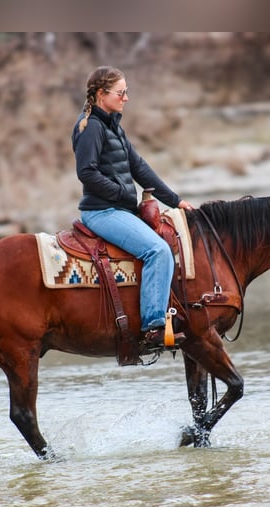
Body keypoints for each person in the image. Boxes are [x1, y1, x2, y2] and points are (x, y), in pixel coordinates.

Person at [72, 65, 194, 352]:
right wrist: (123, 194)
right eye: (121, 93)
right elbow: (86, 173)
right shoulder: (91, 128)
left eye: (127, 92)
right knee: (157, 250)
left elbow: (139, 167)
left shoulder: (113, 125)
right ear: (102, 94)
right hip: (102, 212)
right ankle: (153, 327)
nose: (126, 98)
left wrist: (175, 201)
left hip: (119, 209)